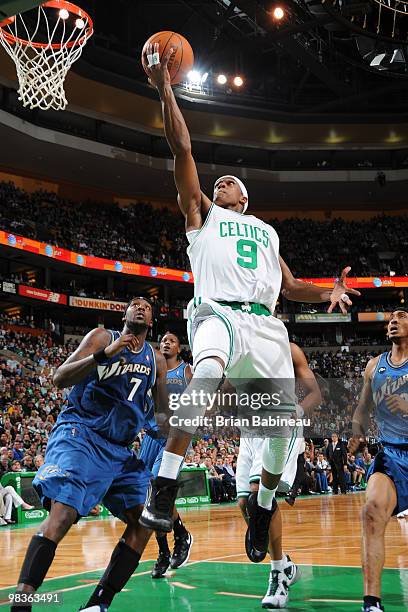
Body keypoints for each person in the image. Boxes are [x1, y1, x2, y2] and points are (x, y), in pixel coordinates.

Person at [139, 43, 359, 562]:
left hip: (266, 328)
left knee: (283, 426)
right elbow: (183, 151)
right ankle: (164, 484)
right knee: (208, 368)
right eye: (220, 182)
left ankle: (261, 509)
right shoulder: (202, 214)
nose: (223, 181)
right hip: (218, 310)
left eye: (232, 181)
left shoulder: (265, 231)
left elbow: (290, 288)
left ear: (248, 198)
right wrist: (167, 90)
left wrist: (326, 291)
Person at [10, 297, 168, 612]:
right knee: (64, 513)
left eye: (146, 306)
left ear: (152, 321)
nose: (139, 307)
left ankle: (98, 604)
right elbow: (59, 378)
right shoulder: (101, 337)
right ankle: (21, 604)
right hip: (82, 434)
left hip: (120, 450)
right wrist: (104, 355)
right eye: (134, 303)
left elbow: (163, 417)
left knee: (144, 521)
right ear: (124, 314)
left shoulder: (156, 360)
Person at [236, 342, 321, 607]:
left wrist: (296, 411)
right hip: (248, 429)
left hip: (279, 424)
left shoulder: (289, 349)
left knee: (259, 493)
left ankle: (277, 576)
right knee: (244, 503)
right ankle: (284, 565)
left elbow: (315, 393)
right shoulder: (239, 344)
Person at [349, 309, 408, 612]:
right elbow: (361, 408)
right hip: (392, 455)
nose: (393, 322)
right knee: (371, 512)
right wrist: (357, 431)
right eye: (390, 320)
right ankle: (371, 603)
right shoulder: (374, 366)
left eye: (401, 316)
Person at [139, 331, 193, 579]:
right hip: (150, 436)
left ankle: (179, 537)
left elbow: (202, 399)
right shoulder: (153, 370)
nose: (166, 343)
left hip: (174, 439)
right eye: (162, 341)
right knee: (148, 498)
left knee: (158, 487)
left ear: (179, 347)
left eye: (171, 340)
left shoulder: (186, 371)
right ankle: (166, 547)